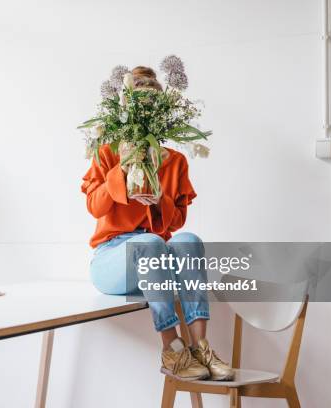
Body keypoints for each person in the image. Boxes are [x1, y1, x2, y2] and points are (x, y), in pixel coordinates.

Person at [81, 66, 233, 381]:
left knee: (188, 240)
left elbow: (177, 220)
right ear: (127, 109)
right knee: (149, 242)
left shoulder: (174, 161)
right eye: (140, 104)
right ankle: (172, 348)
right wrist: (123, 170)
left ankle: (200, 346)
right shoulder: (108, 152)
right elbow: (95, 207)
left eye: (152, 106)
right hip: (114, 259)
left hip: (158, 263)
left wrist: (160, 197)